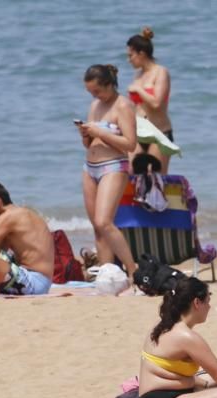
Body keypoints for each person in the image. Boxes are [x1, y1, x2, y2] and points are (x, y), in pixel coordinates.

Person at [78, 64, 138, 278]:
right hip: (90, 167)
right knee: (97, 226)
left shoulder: (123, 106)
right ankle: (107, 274)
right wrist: (86, 135)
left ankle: (133, 270)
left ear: (110, 85)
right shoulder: (95, 105)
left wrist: (99, 133)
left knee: (105, 221)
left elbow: (130, 144)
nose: (95, 96)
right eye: (91, 92)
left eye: (97, 91)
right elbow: (90, 142)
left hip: (113, 166)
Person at [127, 27, 174, 174]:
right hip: (139, 134)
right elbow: (137, 107)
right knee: (129, 173)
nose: (129, 60)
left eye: (131, 56)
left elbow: (157, 103)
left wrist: (139, 90)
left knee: (155, 179)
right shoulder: (138, 75)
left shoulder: (161, 72)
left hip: (159, 133)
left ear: (142, 53)